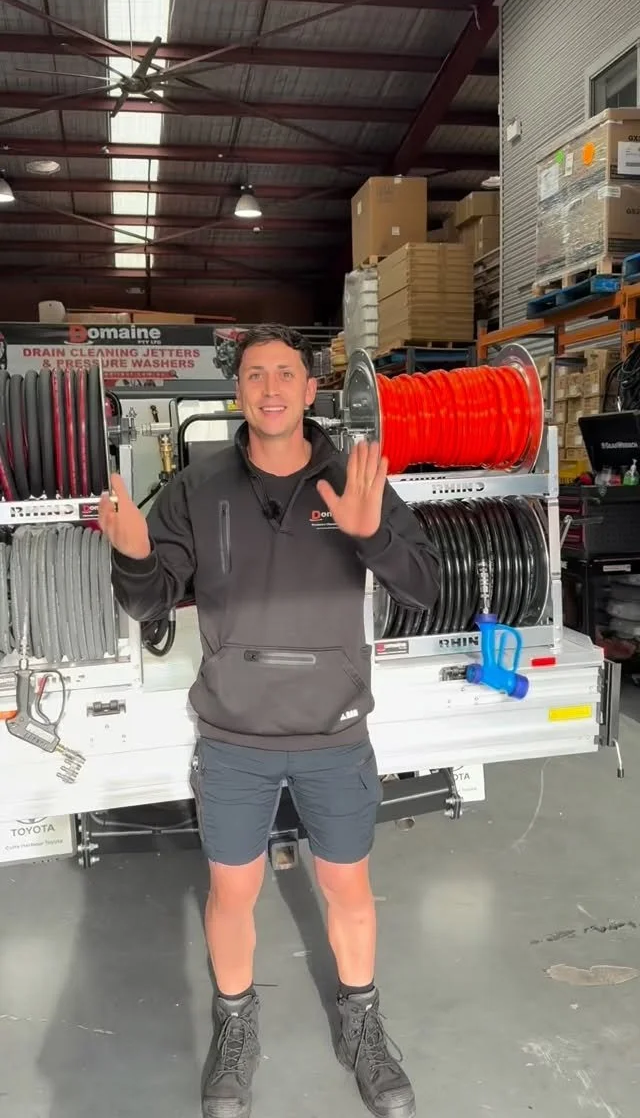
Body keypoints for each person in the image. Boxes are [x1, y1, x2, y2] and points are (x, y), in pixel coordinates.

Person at [99, 324, 440, 1118]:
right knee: (232, 891)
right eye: (256, 375)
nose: (272, 387)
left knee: (348, 888)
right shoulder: (196, 486)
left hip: (334, 730)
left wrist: (373, 535)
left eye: (286, 373)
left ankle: (362, 1026)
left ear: (311, 389)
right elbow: (152, 600)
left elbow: (423, 587)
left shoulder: (355, 477)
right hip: (234, 735)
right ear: (239, 391)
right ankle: (235, 1027)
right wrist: (135, 559)